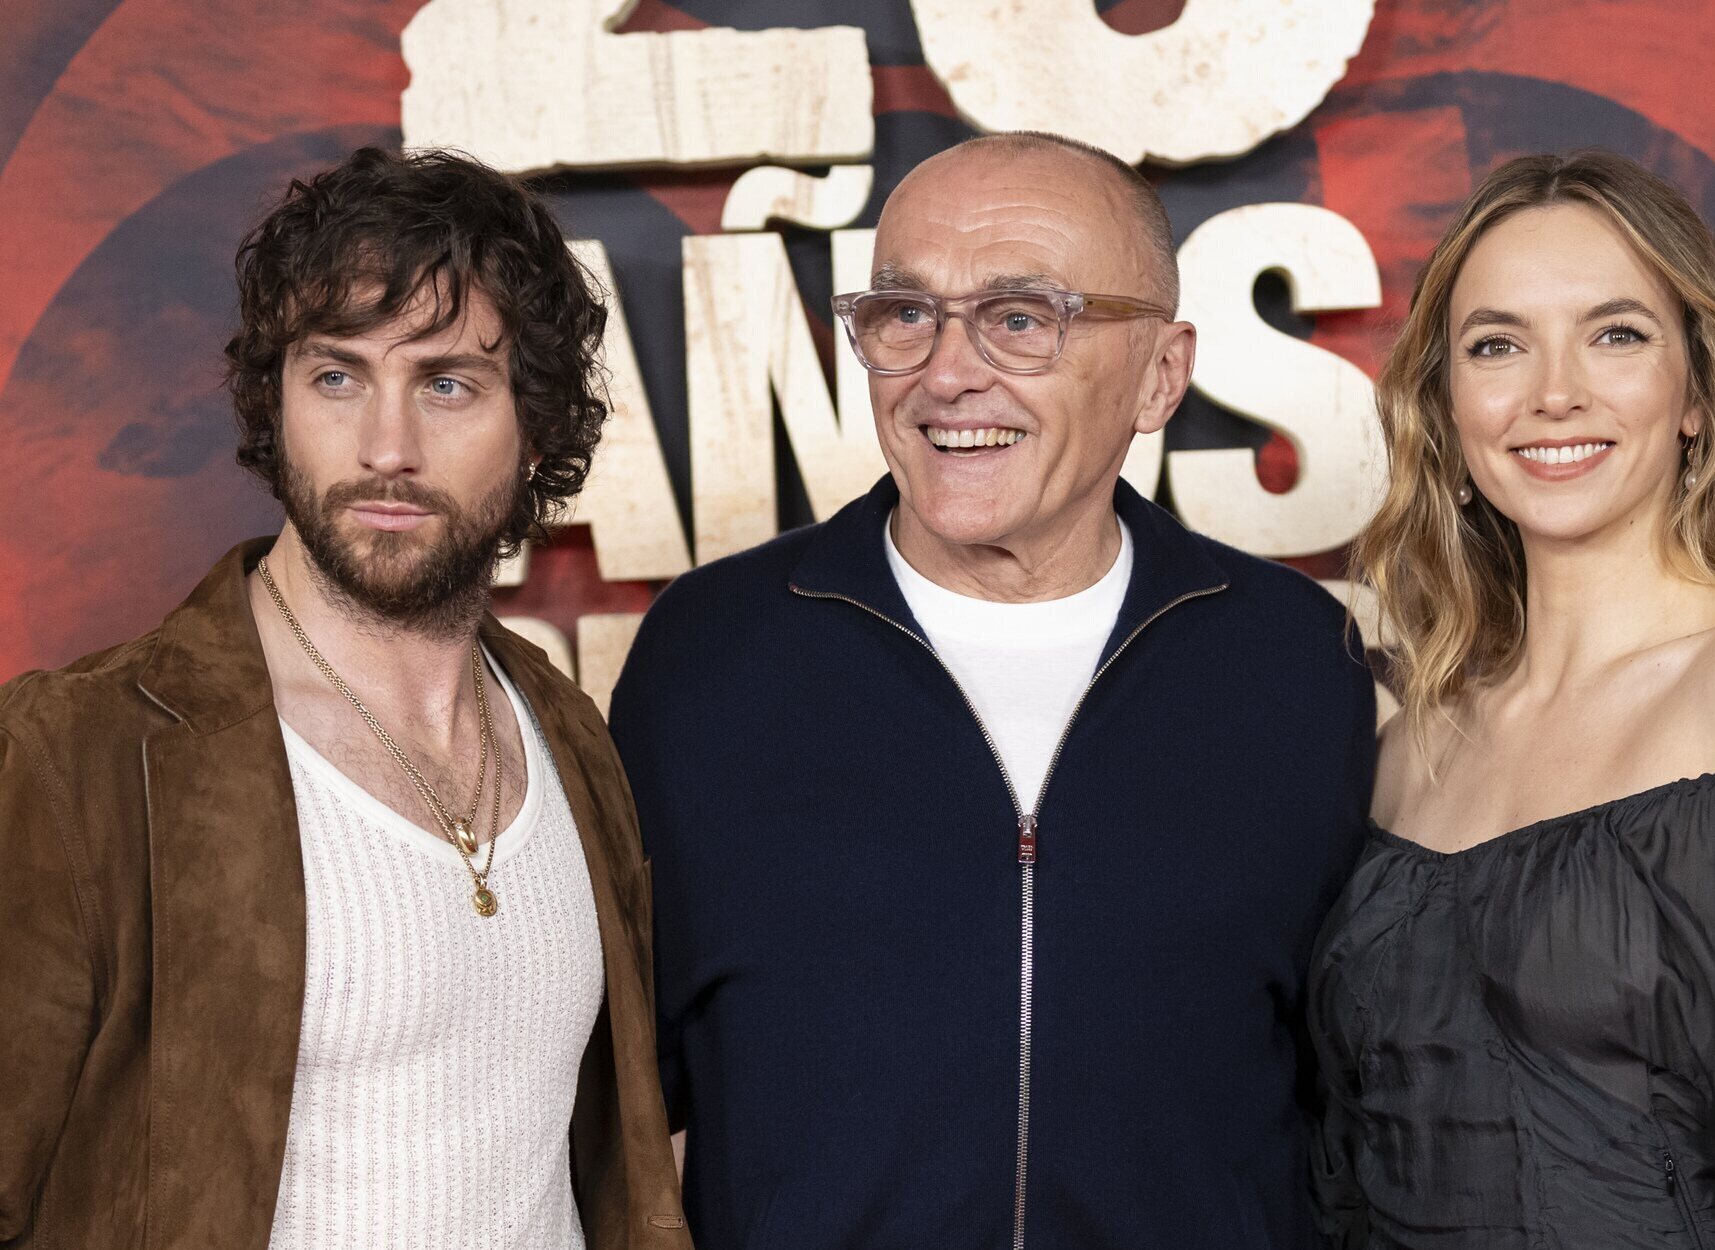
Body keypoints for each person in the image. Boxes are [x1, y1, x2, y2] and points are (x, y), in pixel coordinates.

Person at [611, 131, 1377, 1249]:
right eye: (904, 314)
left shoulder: (1295, 663)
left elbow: (1352, 1094)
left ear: (1160, 375)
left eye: (1020, 317)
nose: (945, 373)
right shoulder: (708, 655)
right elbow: (618, 1096)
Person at [0, 147, 692, 1248]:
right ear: (274, 406)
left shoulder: (567, 732)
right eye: (337, 376)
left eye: (447, 383)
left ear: (537, 431)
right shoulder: (74, 755)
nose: (386, 447)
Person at [1309, 150, 1715, 1248]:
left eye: (1615, 334)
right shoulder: (1414, 742)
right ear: (1448, 409)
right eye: (1497, 345)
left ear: (1696, 395)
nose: (1553, 391)